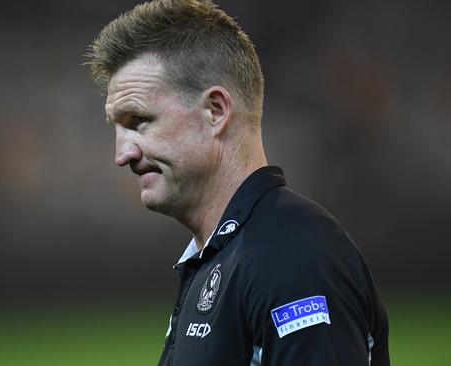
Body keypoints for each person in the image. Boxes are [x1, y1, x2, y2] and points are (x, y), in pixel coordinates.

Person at [85, 1, 390, 365]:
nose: (123, 154)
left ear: (215, 111)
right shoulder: (226, 256)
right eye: (116, 127)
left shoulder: (290, 255)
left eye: (139, 120)